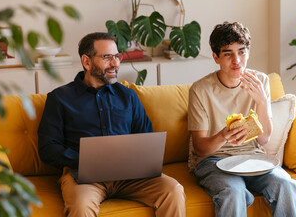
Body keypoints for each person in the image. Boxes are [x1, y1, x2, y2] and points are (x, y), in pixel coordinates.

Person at [38, 32, 186, 217]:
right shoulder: (60, 98)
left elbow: (146, 136)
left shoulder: (128, 96)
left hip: (131, 176)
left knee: (173, 190)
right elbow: (47, 148)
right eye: (107, 57)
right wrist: (85, 160)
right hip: (84, 177)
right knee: (81, 206)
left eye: (117, 56)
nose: (115, 63)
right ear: (87, 61)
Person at [187, 22, 296, 217]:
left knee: (287, 185)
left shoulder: (260, 81)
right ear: (216, 57)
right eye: (228, 54)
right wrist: (224, 135)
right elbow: (200, 149)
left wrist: (262, 102)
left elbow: (264, 139)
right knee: (233, 192)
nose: (237, 61)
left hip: (252, 157)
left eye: (242, 52)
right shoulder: (200, 90)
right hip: (213, 161)